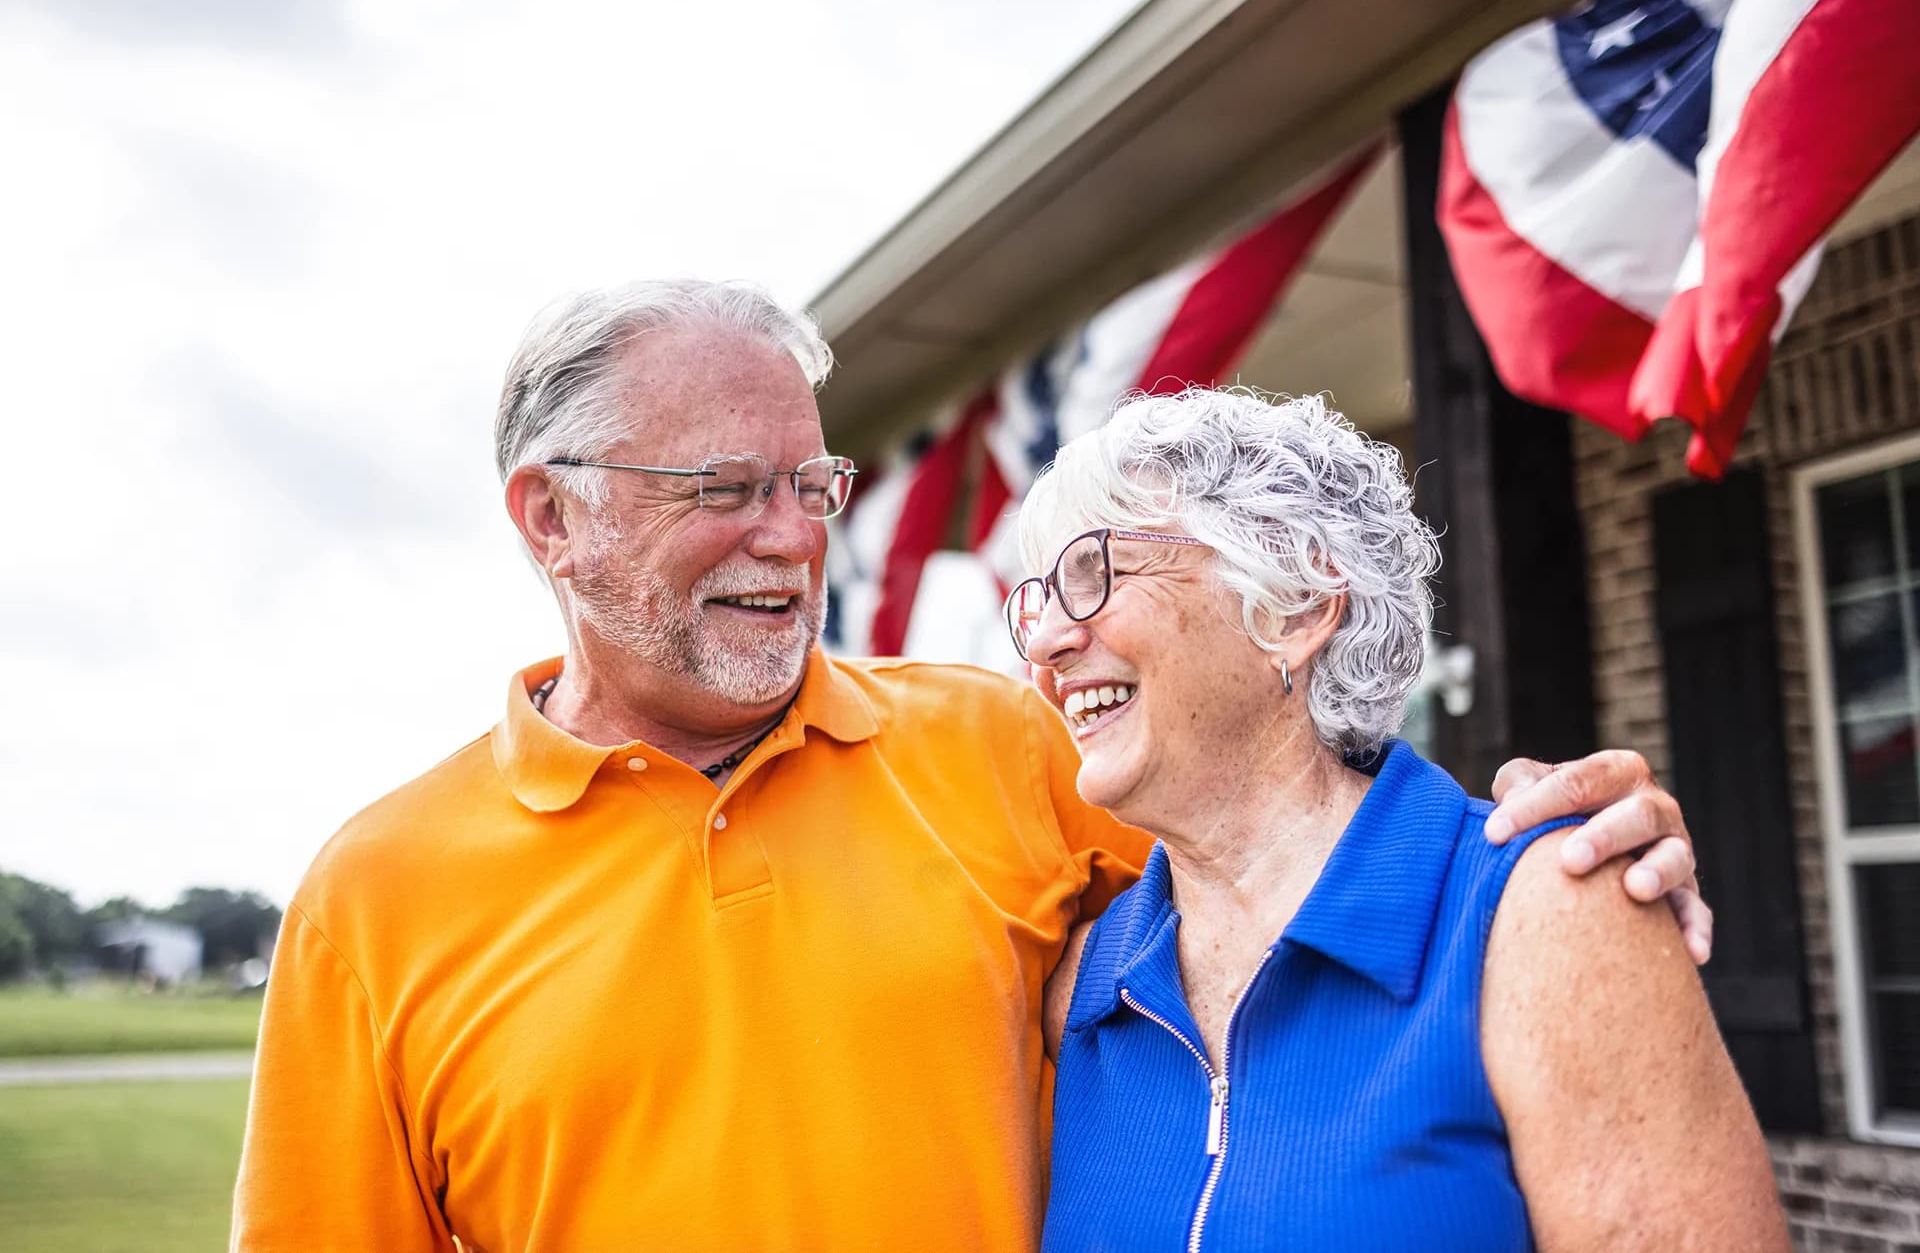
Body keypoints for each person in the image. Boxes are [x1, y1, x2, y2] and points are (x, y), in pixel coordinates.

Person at [232, 280, 1712, 1252]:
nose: (791, 538)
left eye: (812, 485)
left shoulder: (1008, 747)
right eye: (726, 489)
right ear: (551, 519)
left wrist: (1557, 842)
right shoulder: (375, 897)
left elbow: (1290, 832)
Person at [1020, 389, 1786, 1251]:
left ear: (1296, 605)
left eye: (1097, 572)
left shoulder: (1541, 915)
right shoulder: (1081, 992)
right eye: (1038, 600)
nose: (1044, 644)